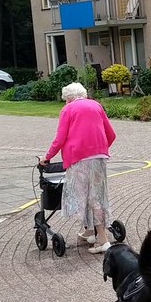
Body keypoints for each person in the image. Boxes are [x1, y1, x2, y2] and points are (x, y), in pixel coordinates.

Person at [41, 82, 117, 254]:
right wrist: (100, 148)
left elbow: (60, 139)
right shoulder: (96, 105)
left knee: (88, 197)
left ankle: (103, 240)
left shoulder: (68, 109)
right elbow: (111, 134)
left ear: (69, 98)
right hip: (99, 157)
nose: (65, 102)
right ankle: (89, 232)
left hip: (79, 159)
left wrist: (47, 157)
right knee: (96, 195)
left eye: (65, 99)